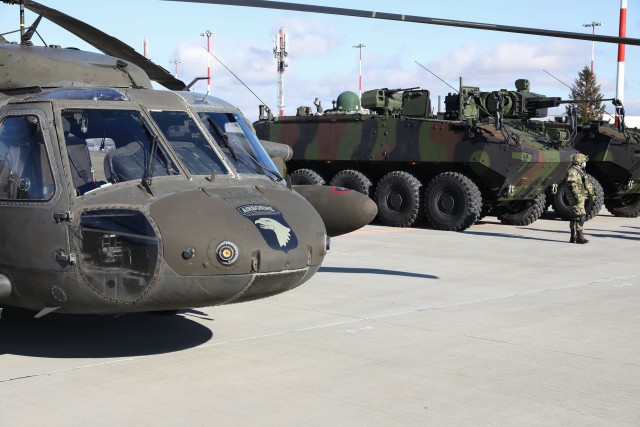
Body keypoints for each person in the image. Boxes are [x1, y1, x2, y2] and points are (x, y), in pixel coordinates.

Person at [566, 153, 595, 244]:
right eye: (583, 161)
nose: (584, 163)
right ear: (578, 161)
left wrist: (592, 194)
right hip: (576, 197)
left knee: (575, 216)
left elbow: (587, 183)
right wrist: (577, 196)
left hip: (581, 196)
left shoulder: (580, 170)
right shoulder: (572, 171)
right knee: (581, 215)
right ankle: (579, 236)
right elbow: (572, 185)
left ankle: (573, 236)